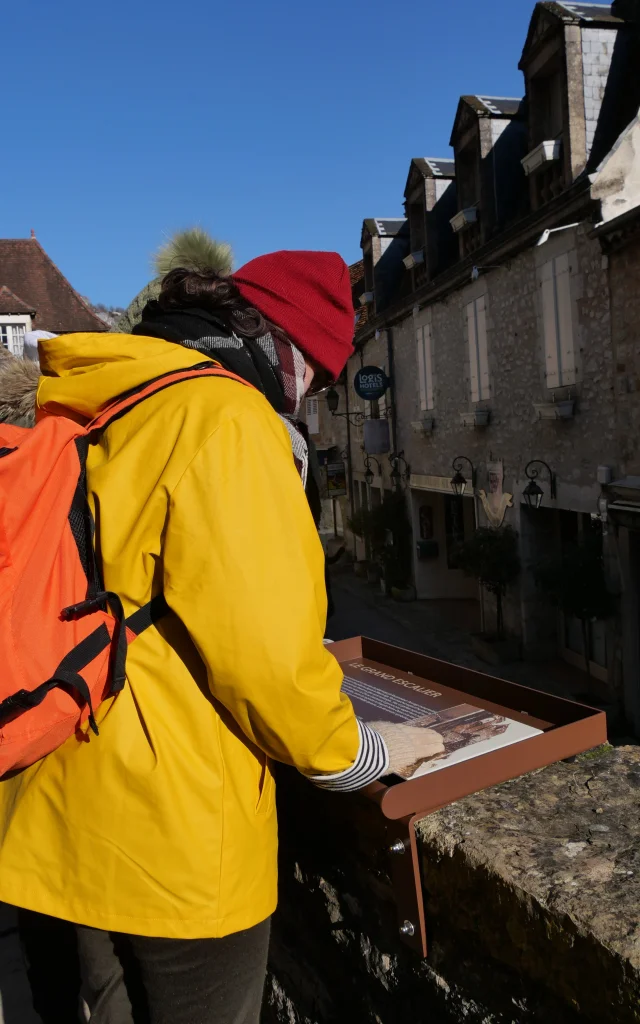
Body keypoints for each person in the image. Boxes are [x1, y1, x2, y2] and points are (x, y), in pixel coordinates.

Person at [0, 251, 443, 1024]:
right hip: (172, 839)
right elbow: (265, 655)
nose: (310, 397)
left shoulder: (103, 397)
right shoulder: (228, 418)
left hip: (50, 801)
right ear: (283, 346)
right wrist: (361, 755)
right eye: (317, 373)